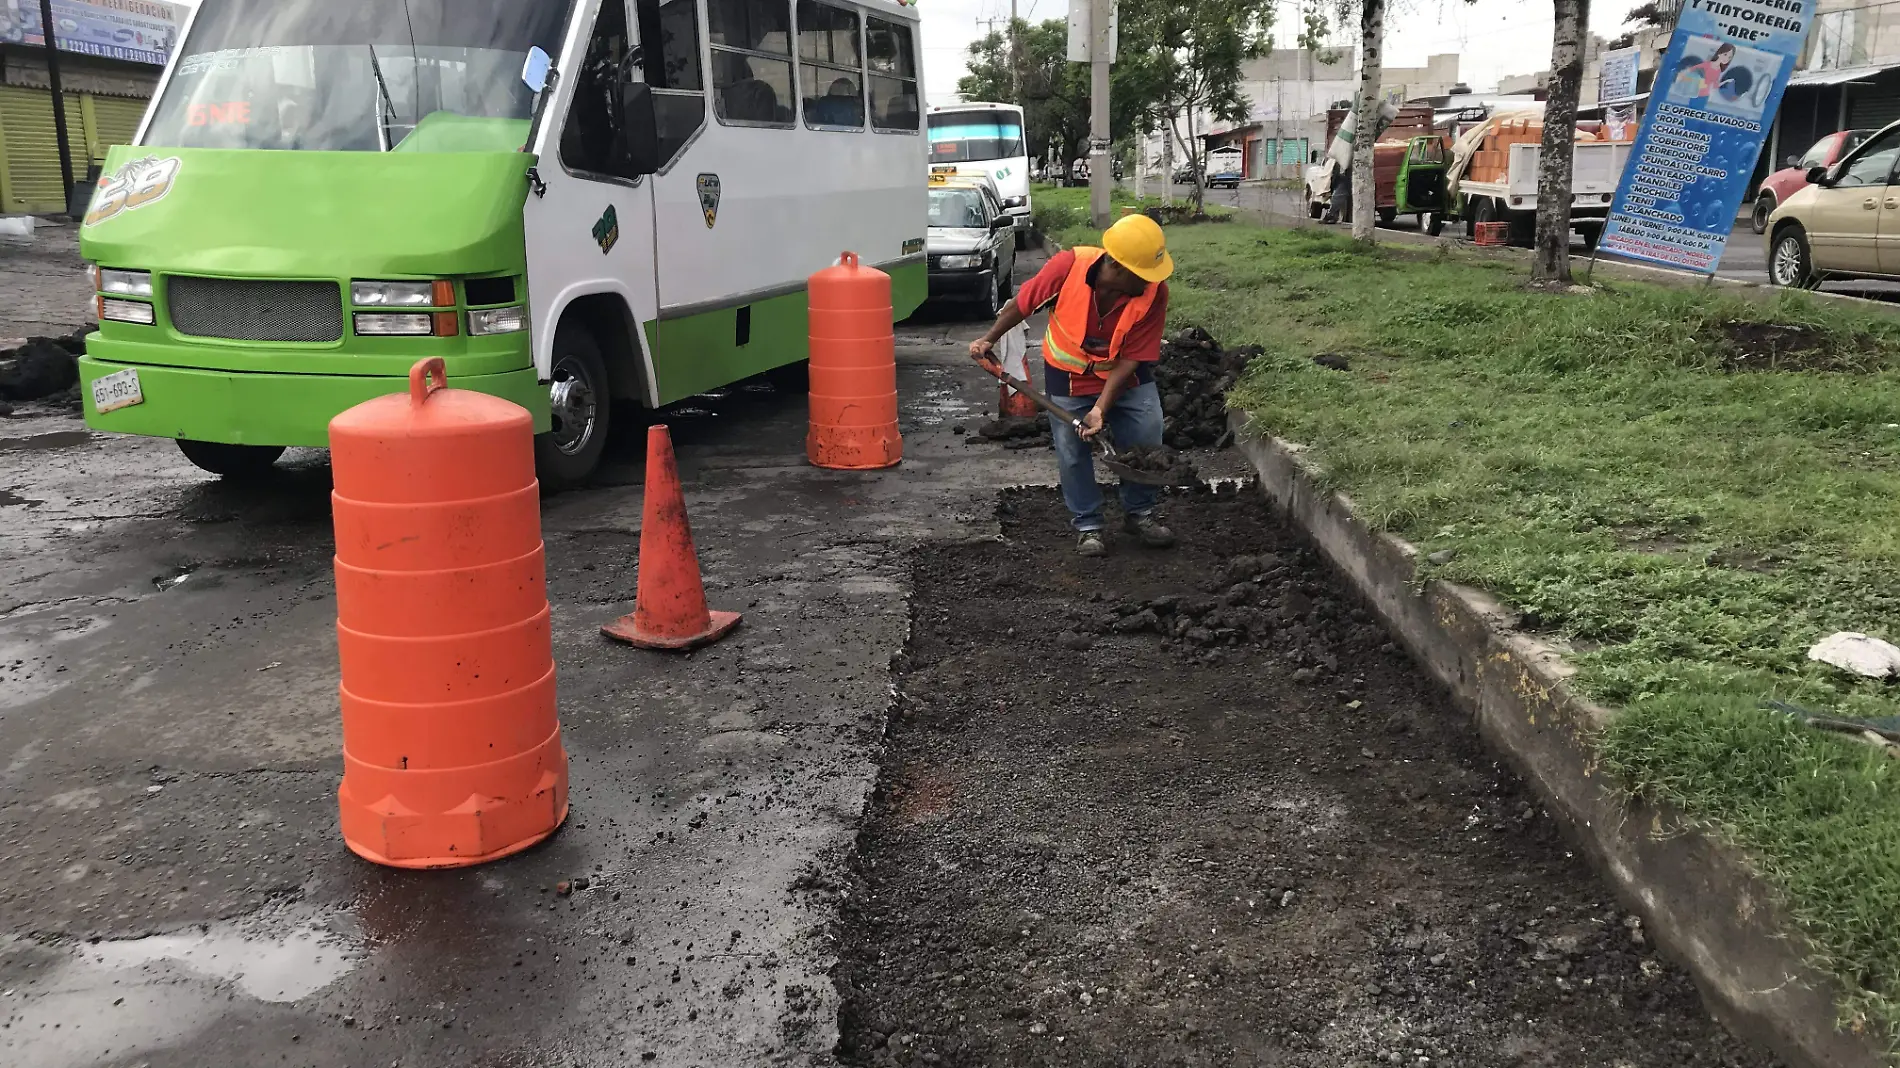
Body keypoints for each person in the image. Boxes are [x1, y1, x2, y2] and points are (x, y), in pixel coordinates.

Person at [968, 214, 1175, 557]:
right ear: (1118, 267)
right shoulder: (1069, 266)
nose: (1151, 282)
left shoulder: (1154, 293)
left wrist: (1099, 409)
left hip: (1126, 375)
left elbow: (1132, 358)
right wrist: (988, 339)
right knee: (1071, 450)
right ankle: (1089, 525)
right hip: (1068, 374)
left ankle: (1140, 513)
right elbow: (1023, 304)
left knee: (1147, 434)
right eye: (1145, 274)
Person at [1673, 42, 1735, 107]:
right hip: (1698, 90)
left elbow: (1714, 84)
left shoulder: (1718, 69)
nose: (1726, 59)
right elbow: (1692, 70)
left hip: (1702, 92)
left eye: (1729, 57)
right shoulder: (1706, 66)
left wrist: (1725, 82)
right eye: (1725, 55)